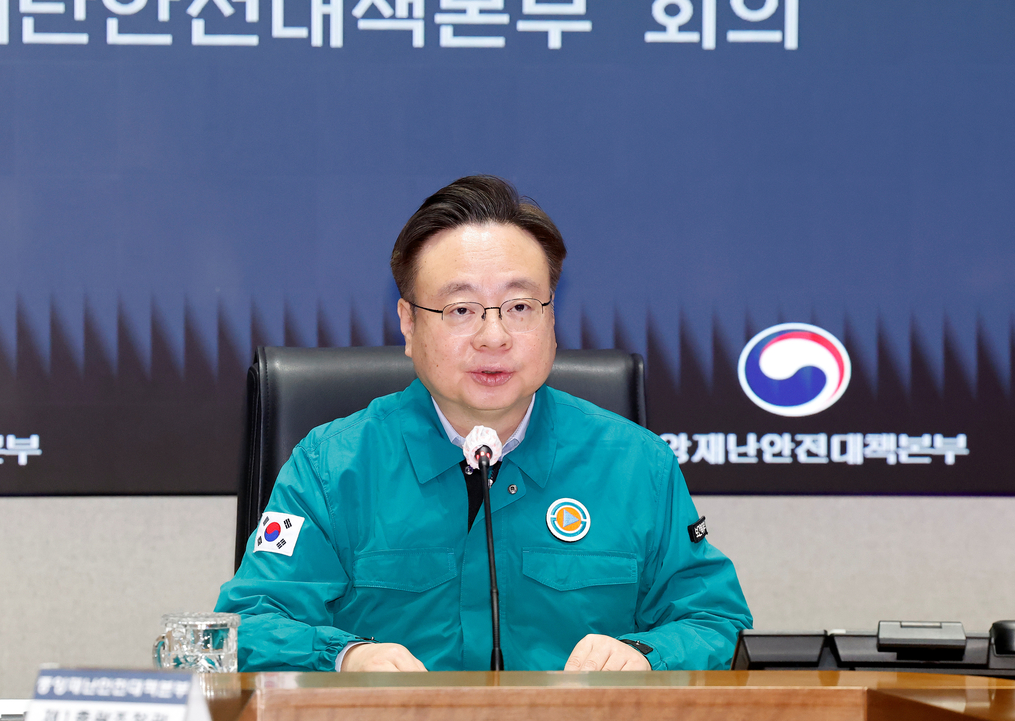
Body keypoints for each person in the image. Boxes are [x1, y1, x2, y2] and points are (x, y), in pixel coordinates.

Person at [215, 175, 752, 672]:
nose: (493, 337)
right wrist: (345, 657)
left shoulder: (637, 464)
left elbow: (715, 622)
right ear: (408, 324)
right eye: (461, 310)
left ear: (551, 317)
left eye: (519, 307)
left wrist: (644, 654)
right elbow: (249, 626)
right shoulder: (332, 467)